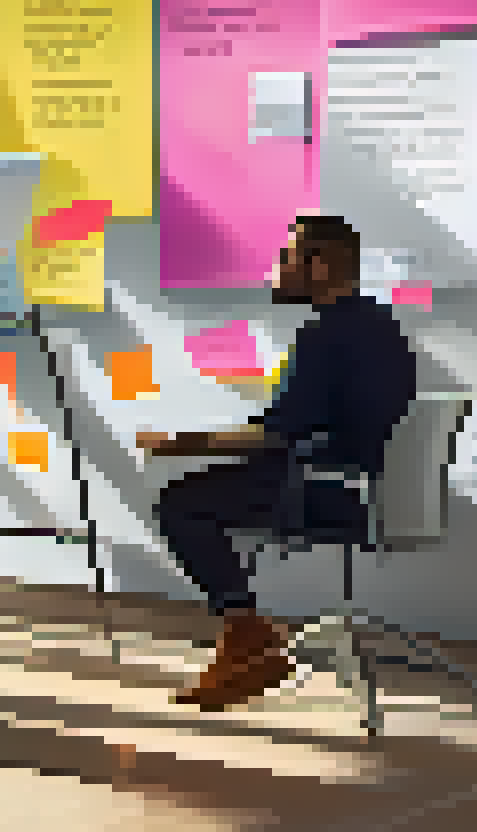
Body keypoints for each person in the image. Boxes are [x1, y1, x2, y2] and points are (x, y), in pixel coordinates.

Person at [141, 215, 418, 711]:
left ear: (318, 265)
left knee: (181, 504)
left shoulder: (326, 335)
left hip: (329, 491)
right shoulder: (380, 325)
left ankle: (249, 637)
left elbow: (275, 433)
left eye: (286, 259)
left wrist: (185, 443)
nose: (276, 271)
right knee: (216, 492)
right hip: (367, 489)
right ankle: (249, 637)